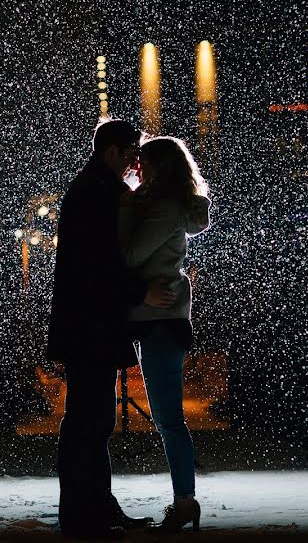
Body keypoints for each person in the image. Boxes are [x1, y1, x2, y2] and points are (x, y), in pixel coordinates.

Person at [46, 119, 176, 539]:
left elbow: (97, 264)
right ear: (113, 152)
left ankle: (92, 507)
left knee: (90, 418)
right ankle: (85, 513)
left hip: (88, 323)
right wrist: (142, 292)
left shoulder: (95, 190)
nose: (137, 160)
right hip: (91, 325)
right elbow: (98, 266)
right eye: (132, 152)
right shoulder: (95, 195)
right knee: (88, 418)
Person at [118, 135, 211, 533]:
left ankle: (186, 500)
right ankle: (184, 499)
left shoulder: (163, 208)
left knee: (169, 417)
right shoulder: (163, 205)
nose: (136, 168)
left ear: (158, 167)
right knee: (167, 416)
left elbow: (130, 256)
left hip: (159, 317)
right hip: (156, 315)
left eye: (142, 162)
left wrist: (124, 204)